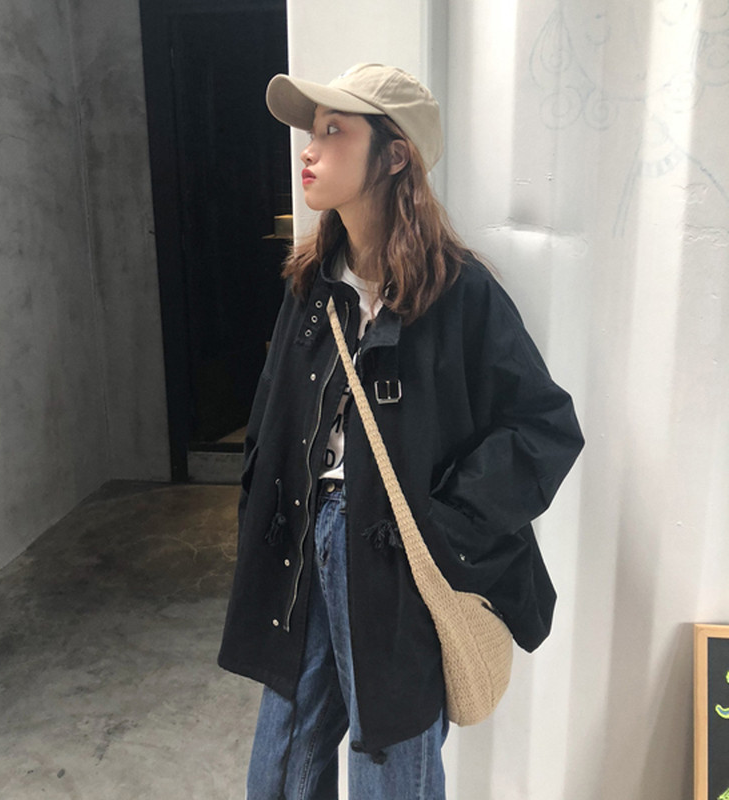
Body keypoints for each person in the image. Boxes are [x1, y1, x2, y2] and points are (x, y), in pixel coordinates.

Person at [218, 63, 584, 800]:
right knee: (283, 759)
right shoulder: (310, 284)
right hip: (301, 546)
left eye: (333, 130)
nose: (309, 149)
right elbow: (270, 416)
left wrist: (444, 526)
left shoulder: (459, 293)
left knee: (391, 766)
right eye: (312, 130)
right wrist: (258, 517)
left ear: (393, 156)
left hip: (397, 564)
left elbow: (545, 427)